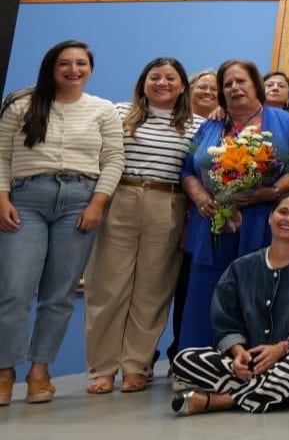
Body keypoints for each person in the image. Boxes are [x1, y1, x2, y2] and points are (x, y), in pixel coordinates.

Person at [0, 40, 124, 405]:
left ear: (90, 69)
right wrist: (2, 197)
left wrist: (98, 203)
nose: (74, 70)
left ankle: (40, 371)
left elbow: (114, 159)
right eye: (65, 63)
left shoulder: (102, 110)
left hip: (80, 204)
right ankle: (5, 371)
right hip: (26, 201)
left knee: (59, 295)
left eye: (81, 63)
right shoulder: (21, 104)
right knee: (15, 291)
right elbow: (2, 155)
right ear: (51, 68)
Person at [84, 57, 202, 395]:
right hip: (121, 196)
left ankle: (137, 366)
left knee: (152, 290)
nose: (162, 83)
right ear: (143, 82)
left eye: (170, 78)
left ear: (182, 86)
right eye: (155, 77)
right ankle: (102, 369)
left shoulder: (197, 124)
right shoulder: (119, 113)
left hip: (168, 202)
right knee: (108, 287)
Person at [177, 60, 289, 351]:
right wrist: (200, 196)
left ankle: (251, 362)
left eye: (241, 82)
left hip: (260, 223)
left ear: (256, 86)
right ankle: (198, 360)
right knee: (204, 294)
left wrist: (270, 192)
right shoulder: (211, 126)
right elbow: (187, 170)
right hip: (211, 222)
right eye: (228, 84)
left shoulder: (285, 122)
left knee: (255, 293)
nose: (234, 88)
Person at [169, 193, 289, 416]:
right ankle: (275, 393)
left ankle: (220, 401)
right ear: (270, 217)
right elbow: (225, 320)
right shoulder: (240, 268)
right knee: (184, 359)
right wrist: (239, 353)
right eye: (283, 212)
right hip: (248, 364)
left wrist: (280, 349)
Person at [170, 68, 220, 363]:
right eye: (203, 87)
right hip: (173, 209)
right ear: (189, 88)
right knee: (171, 290)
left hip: (201, 218)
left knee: (191, 286)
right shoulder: (179, 122)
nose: (209, 93)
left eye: (216, 90)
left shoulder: (220, 124)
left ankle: (189, 351)